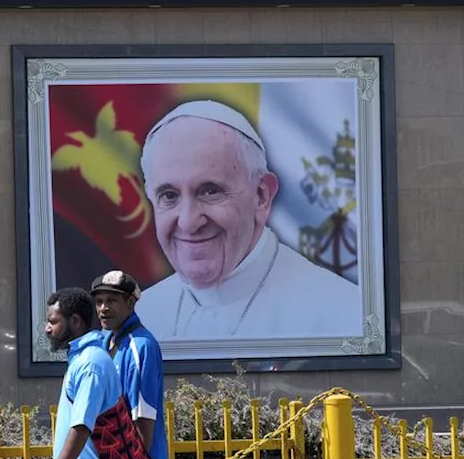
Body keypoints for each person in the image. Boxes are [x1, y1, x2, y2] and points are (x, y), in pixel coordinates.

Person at [136, 100, 362, 342]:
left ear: (261, 196)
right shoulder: (143, 315)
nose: (188, 222)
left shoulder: (344, 315)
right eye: (169, 196)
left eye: (210, 191)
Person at [25, 287, 153, 459]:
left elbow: (82, 426)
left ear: (74, 321)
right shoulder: (81, 356)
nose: (47, 329)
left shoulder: (91, 363)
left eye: (53, 322)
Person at [91, 270, 167, 459]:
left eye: (112, 300)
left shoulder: (141, 346)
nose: (103, 308)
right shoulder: (106, 340)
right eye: (99, 301)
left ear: (131, 303)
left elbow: (143, 415)